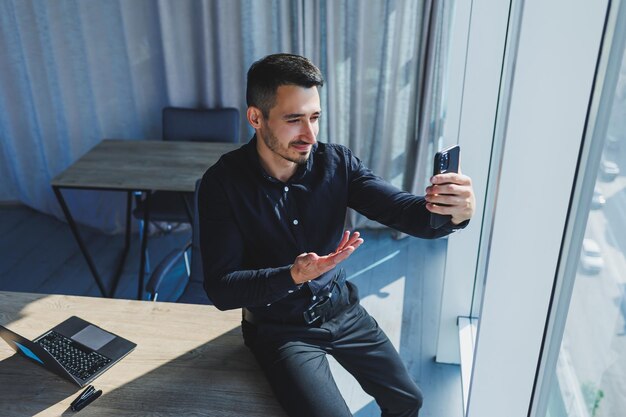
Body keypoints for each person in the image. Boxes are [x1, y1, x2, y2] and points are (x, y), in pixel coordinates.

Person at [198, 53, 475, 417]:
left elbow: (408, 214)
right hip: (280, 330)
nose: (309, 135)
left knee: (408, 400)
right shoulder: (221, 185)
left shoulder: (337, 163)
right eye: (294, 120)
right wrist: (293, 275)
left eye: (314, 117)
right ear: (256, 117)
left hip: (341, 309)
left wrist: (454, 213)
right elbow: (221, 289)